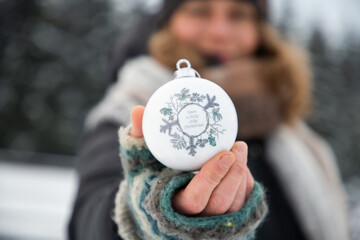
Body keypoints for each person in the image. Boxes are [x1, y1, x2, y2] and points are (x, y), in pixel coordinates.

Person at [68, 0, 350, 239]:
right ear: (168, 22)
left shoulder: (297, 136)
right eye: (200, 10)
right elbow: (89, 217)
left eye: (239, 14)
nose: (220, 32)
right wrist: (146, 217)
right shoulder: (130, 111)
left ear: (260, 31)